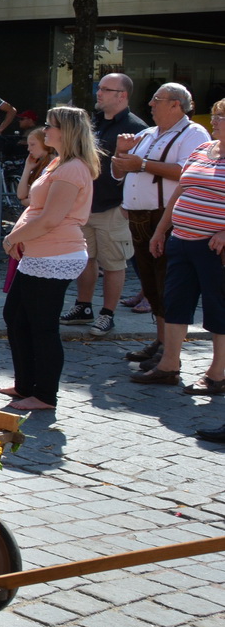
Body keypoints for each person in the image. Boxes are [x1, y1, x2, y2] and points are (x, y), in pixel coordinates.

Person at [1, 106, 96, 412]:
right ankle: (26, 384)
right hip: (40, 253)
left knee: (41, 326)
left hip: (57, 254)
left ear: (66, 131)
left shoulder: (72, 169)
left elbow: (50, 219)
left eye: (50, 126)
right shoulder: (59, 162)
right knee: (16, 316)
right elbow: (34, 208)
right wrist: (20, 237)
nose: (45, 130)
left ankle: (44, 394)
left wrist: (13, 237)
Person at [115, 83, 208, 372]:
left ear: (176, 105)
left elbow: (188, 171)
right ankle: (160, 341)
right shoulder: (146, 133)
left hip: (165, 217)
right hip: (140, 217)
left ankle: (170, 350)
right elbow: (118, 172)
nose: (151, 105)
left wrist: (141, 164)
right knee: (149, 282)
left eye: (158, 100)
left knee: (167, 281)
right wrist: (121, 154)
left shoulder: (194, 134)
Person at [139, 100, 225, 399]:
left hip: (215, 248)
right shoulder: (203, 150)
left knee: (218, 307)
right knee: (176, 302)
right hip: (182, 240)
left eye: (220, 117)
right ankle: (169, 365)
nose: (214, 121)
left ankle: (218, 373)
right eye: (214, 115)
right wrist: (161, 231)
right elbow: (180, 191)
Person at [62, 74, 146, 336]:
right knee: (85, 260)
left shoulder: (137, 127)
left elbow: (137, 172)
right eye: (99, 88)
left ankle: (107, 314)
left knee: (114, 263)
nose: (99, 93)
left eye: (106, 90)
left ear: (122, 95)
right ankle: (83, 306)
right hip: (85, 206)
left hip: (113, 208)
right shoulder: (92, 123)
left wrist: (126, 206)